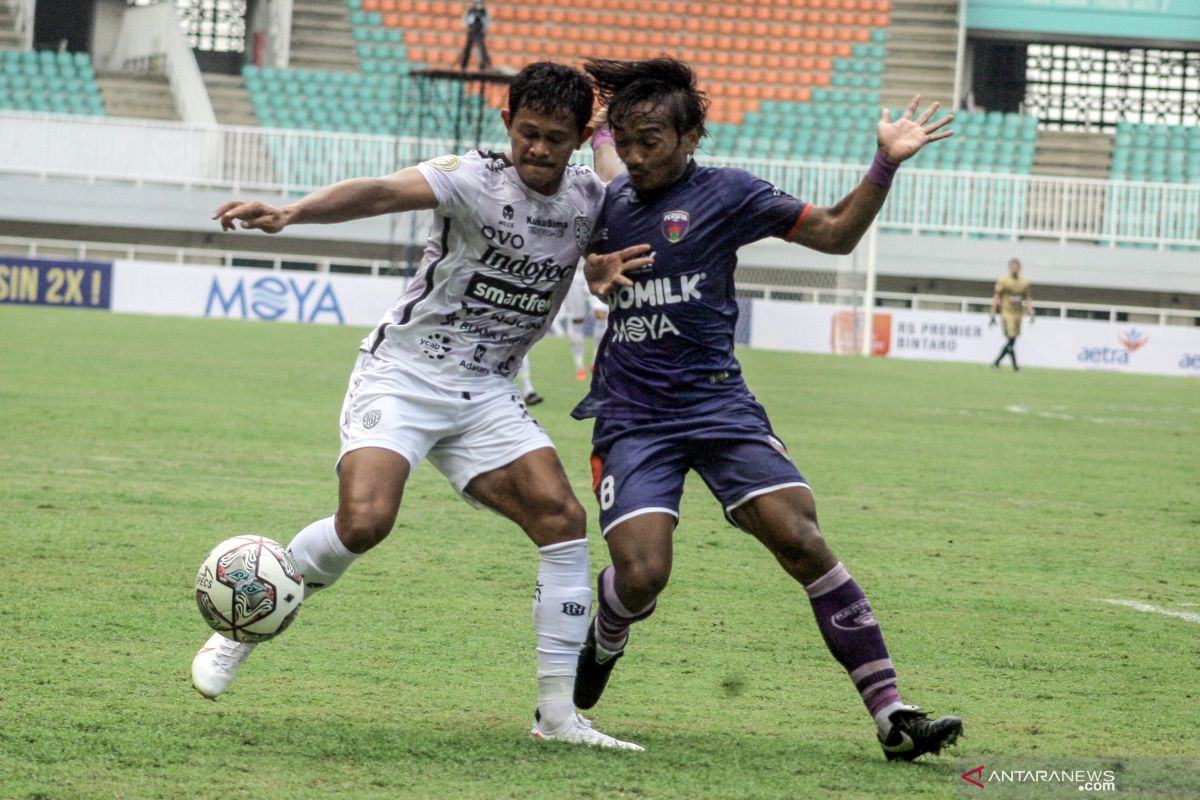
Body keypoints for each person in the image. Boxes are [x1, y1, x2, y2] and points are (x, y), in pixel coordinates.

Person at [191, 61, 641, 751]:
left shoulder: (592, 199)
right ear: (505, 123)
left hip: (488, 388)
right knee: (366, 522)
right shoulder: (472, 178)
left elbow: (620, 216)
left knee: (562, 520)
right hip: (404, 373)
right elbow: (378, 191)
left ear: (579, 136)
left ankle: (558, 716)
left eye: (555, 137)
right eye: (527, 133)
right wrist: (293, 212)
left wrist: (603, 271)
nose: (539, 150)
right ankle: (246, 616)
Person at [570, 57, 964, 761]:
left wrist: (883, 163)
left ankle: (891, 712)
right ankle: (607, 634)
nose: (633, 155)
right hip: (633, 416)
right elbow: (600, 168)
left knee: (801, 538)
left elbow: (838, 233)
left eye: (650, 140)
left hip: (719, 405)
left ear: (693, 136)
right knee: (642, 574)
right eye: (625, 140)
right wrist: (592, 272)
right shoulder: (611, 195)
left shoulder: (730, 194)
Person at [554, 266, 609, 380]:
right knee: (577, 321)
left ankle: (595, 360)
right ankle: (579, 367)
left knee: (601, 315)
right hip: (575, 274)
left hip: (596, 270)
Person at [990, 258, 1033, 371]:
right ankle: (1014, 367)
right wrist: (993, 313)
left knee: (1012, 341)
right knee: (1011, 339)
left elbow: (1027, 297)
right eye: (1013, 267)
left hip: (1018, 313)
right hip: (1006, 312)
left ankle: (997, 363)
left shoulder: (1024, 282)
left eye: (1016, 267)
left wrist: (1031, 312)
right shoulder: (1004, 281)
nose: (1014, 269)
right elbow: (997, 297)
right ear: (1010, 268)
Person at [459, 0, 491, 71]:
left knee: (481, 50)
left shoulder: (484, 12)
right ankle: (463, 65)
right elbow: (464, 20)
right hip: (471, 32)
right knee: (467, 49)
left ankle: (482, 66)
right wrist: (468, 27)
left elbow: (487, 21)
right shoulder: (470, 11)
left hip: (479, 33)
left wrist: (483, 29)